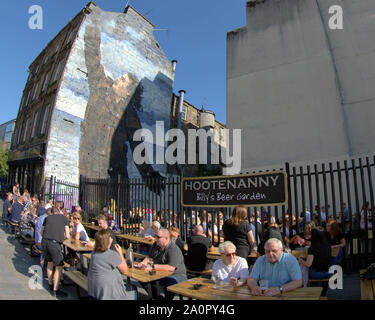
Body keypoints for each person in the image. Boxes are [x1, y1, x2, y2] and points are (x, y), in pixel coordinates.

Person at [138, 228, 187, 300]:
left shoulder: (173, 249)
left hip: (176, 275)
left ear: (166, 238)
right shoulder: (156, 245)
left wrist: (152, 266)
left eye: (158, 237)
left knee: (169, 283)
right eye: (155, 236)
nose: (155, 238)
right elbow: (149, 256)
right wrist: (143, 263)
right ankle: (157, 297)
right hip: (160, 273)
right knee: (142, 278)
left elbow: (171, 268)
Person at [88, 229, 134, 300]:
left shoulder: (94, 253)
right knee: (133, 288)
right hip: (110, 293)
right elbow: (124, 269)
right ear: (107, 240)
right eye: (110, 237)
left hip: (97, 290)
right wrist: (120, 253)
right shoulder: (111, 254)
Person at [41, 206, 70, 297]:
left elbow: (41, 232)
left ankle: (50, 284)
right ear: (59, 212)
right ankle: (55, 289)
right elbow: (68, 235)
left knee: (49, 263)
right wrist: (62, 237)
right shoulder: (64, 218)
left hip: (45, 242)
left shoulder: (47, 218)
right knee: (59, 266)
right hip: (54, 243)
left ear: (52, 212)